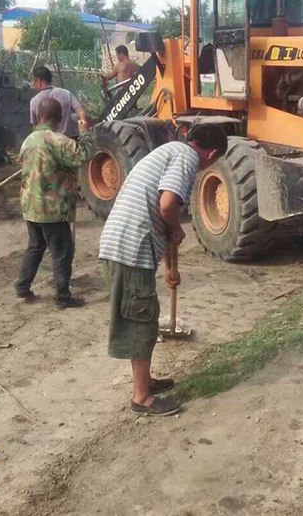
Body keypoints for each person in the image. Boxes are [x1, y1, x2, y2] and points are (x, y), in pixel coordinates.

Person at [99, 124, 228, 416]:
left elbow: (163, 217)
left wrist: (170, 267)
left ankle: (145, 382)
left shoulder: (169, 153)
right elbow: (167, 206)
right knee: (141, 322)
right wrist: (178, 229)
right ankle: (141, 398)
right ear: (212, 153)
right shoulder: (186, 157)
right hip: (129, 249)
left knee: (142, 316)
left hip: (124, 247)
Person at [15, 97, 94, 308]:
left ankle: (22, 286)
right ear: (58, 118)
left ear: (39, 116)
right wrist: (85, 132)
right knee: (63, 252)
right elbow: (84, 156)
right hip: (51, 207)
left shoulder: (28, 141)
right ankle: (62, 296)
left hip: (30, 205)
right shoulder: (58, 141)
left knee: (35, 246)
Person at [29, 66, 89, 139]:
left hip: (47, 143)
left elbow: (35, 126)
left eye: (33, 82)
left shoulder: (34, 101)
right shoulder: (66, 94)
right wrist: (83, 128)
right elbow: (82, 113)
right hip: (69, 140)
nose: (33, 84)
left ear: (38, 82)